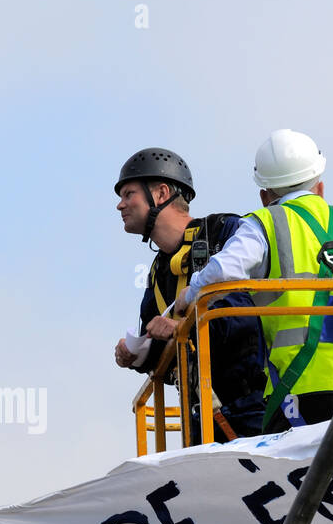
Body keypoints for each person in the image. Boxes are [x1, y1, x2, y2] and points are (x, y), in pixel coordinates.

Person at [173, 129, 333, 434]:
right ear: (321, 186)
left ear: (265, 196)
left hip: (298, 394)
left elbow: (223, 270)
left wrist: (188, 295)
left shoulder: (265, 223)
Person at [111, 148, 266, 442]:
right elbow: (160, 345)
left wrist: (182, 327)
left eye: (128, 194)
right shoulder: (158, 273)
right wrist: (136, 354)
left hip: (255, 406)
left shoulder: (224, 233)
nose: (120, 205)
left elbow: (246, 319)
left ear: (161, 193)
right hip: (201, 416)